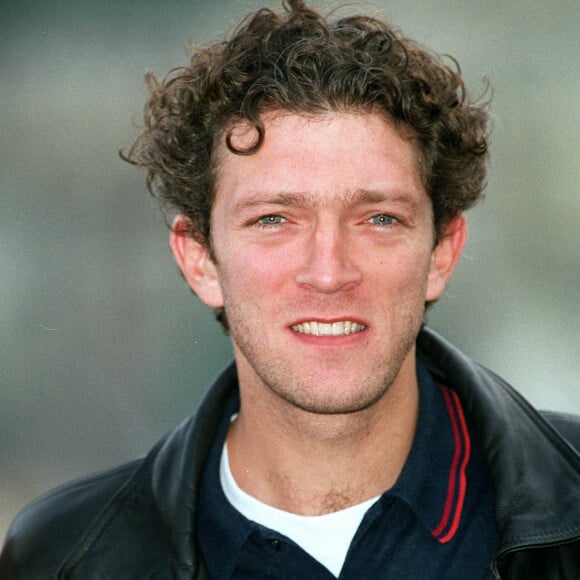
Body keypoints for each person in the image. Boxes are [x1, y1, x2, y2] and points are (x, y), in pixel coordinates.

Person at [1, 1, 578, 578]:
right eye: (274, 220)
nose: (328, 273)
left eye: (378, 218)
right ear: (199, 258)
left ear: (442, 251)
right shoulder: (64, 560)